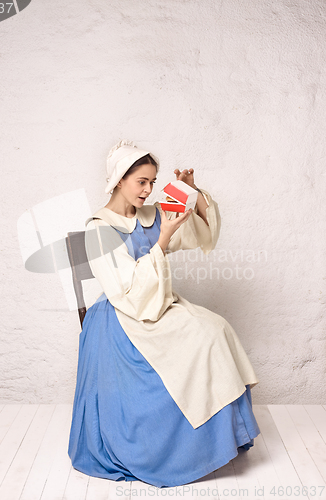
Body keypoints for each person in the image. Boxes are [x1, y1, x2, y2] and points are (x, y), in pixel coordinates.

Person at [68, 140, 260, 488]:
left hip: (157, 302)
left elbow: (200, 229)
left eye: (153, 182)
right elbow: (124, 290)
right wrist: (162, 240)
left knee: (216, 329)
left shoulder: (152, 212)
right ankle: (174, 449)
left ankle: (221, 441)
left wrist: (191, 189)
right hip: (122, 314)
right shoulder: (99, 228)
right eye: (141, 181)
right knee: (201, 338)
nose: (148, 189)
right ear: (119, 180)